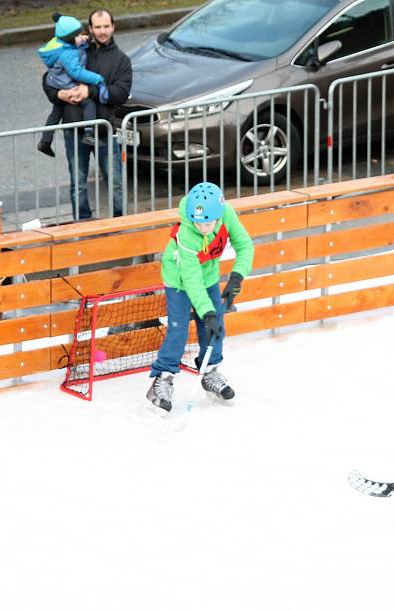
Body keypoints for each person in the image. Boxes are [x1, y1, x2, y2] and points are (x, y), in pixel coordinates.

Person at [146, 182, 254, 413]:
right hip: (179, 279)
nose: (202, 228)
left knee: (216, 328)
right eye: (198, 222)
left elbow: (245, 245)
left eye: (207, 223)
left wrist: (237, 276)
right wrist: (207, 313)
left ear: (217, 215)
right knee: (179, 329)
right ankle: (162, 380)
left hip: (208, 275)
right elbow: (191, 280)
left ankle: (210, 373)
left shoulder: (226, 214)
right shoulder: (187, 233)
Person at [41, 8, 132, 220]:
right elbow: (49, 78)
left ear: (113, 27)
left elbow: (120, 93)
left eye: (106, 26)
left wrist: (90, 91)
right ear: (90, 29)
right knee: (78, 183)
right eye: (97, 27)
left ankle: (121, 223)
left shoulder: (122, 60)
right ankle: (82, 224)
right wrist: (60, 94)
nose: (102, 31)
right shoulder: (75, 48)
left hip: (104, 130)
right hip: (74, 130)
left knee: (116, 182)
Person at [37, 14, 109, 158]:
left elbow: (79, 43)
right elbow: (77, 73)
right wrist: (97, 78)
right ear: (70, 39)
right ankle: (89, 134)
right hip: (67, 85)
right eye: (78, 35)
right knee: (89, 104)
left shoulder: (62, 44)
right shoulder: (67, 55)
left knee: (56, 112)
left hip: (57, 82)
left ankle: (45, 141)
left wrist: (85, 39)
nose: (81, 37)